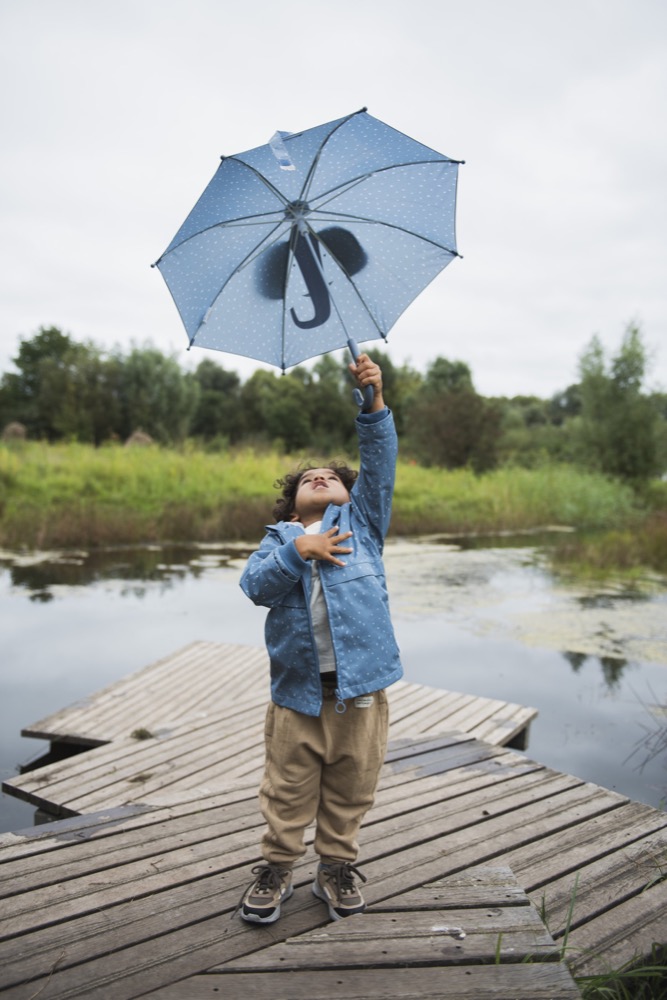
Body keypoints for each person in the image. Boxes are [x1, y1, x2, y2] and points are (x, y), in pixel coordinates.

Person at [238, 352, 403, 924]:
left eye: (332, 478)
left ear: (348, 497)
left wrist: (373, 401)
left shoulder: (362, 525)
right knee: (287, 789)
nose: (320, 478)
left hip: (360, 692)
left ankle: (334, 865)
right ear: (292, 503)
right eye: (309, 479)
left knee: (352, 787)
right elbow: (255, 586)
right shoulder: (278, 541)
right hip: (298, 695)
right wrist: (296, 550)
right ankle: (278, 865)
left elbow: (378, 462)